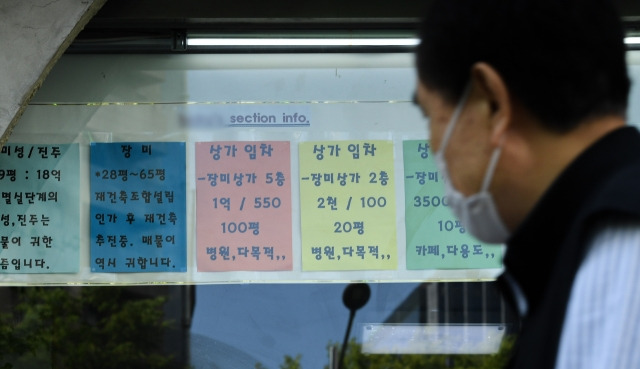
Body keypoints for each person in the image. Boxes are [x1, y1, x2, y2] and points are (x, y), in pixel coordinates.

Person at [414, 1, 640, 368]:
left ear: (491, 102)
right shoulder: (567, 258)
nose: (434, 145)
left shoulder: (623, 254)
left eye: (430, 116)